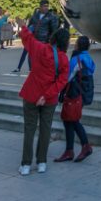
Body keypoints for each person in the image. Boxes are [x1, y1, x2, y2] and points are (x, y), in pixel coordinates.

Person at [17, 25, 70, 175]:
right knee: (45, 129)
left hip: (31, 93)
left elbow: (27, 38)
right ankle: (41, 162)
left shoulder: (39, 48)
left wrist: (23, 26)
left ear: (53, 38)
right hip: (49, 98)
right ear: (65, 42)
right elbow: (62, 81)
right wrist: (46, 96)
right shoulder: (63, 59)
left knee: (29, 129)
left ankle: (26, 164)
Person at [56, 35, 96, 163]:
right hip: (84, 93)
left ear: (78, 45)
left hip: (74, 93)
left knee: (72, 120)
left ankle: (84, 146)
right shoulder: (88, 58)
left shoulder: (76, 58)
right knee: (70, 120)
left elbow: (67, 77)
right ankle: (70, 150)